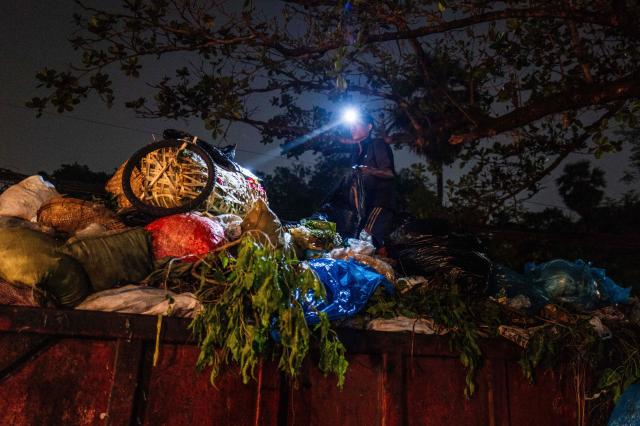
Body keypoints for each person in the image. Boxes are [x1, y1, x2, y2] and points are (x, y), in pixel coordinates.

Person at [328, 111, 397, 248]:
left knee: (366, 241)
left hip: (379, 203)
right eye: (351, 125)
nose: (352, 128)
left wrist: (370, 170)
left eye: (357, 124)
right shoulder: (355, 153)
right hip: (363, 207)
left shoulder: (377, 144)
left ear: (369, 127)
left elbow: (390, 173)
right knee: (353, 242)